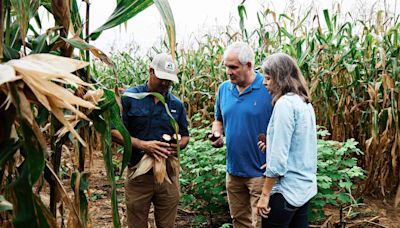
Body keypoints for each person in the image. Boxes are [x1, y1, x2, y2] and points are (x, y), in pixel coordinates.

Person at [111, 53, 190, 228]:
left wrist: (177, 146)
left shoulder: (176, 105)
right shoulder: (129, 98)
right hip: (138, 173)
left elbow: (185, 136)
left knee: (166, 224)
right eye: (162, 78)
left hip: (168, 174)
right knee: (136, 223)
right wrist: (142, 145)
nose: (165, 84)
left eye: (169, 80)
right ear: (151, 71)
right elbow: (114, 131)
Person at [210, 42, 273, 227]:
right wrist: (216, 133)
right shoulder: (224, 89)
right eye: (226, 67)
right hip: (234, 171)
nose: (228, 72)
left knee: (260, 223)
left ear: (249, 65)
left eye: (233, 67)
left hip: (260, 172)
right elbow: (219, 119)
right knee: (239, 221)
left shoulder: (267, 87)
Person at [256, 53, 317, 228]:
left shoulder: (284, 104)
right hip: (303, 190)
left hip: (285, 192)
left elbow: (278, 161)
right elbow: (302, 147)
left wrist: (265, 194)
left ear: (280, 78)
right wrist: (272, 148)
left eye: (268, 78)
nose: (264, 82)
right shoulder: (305, 103)